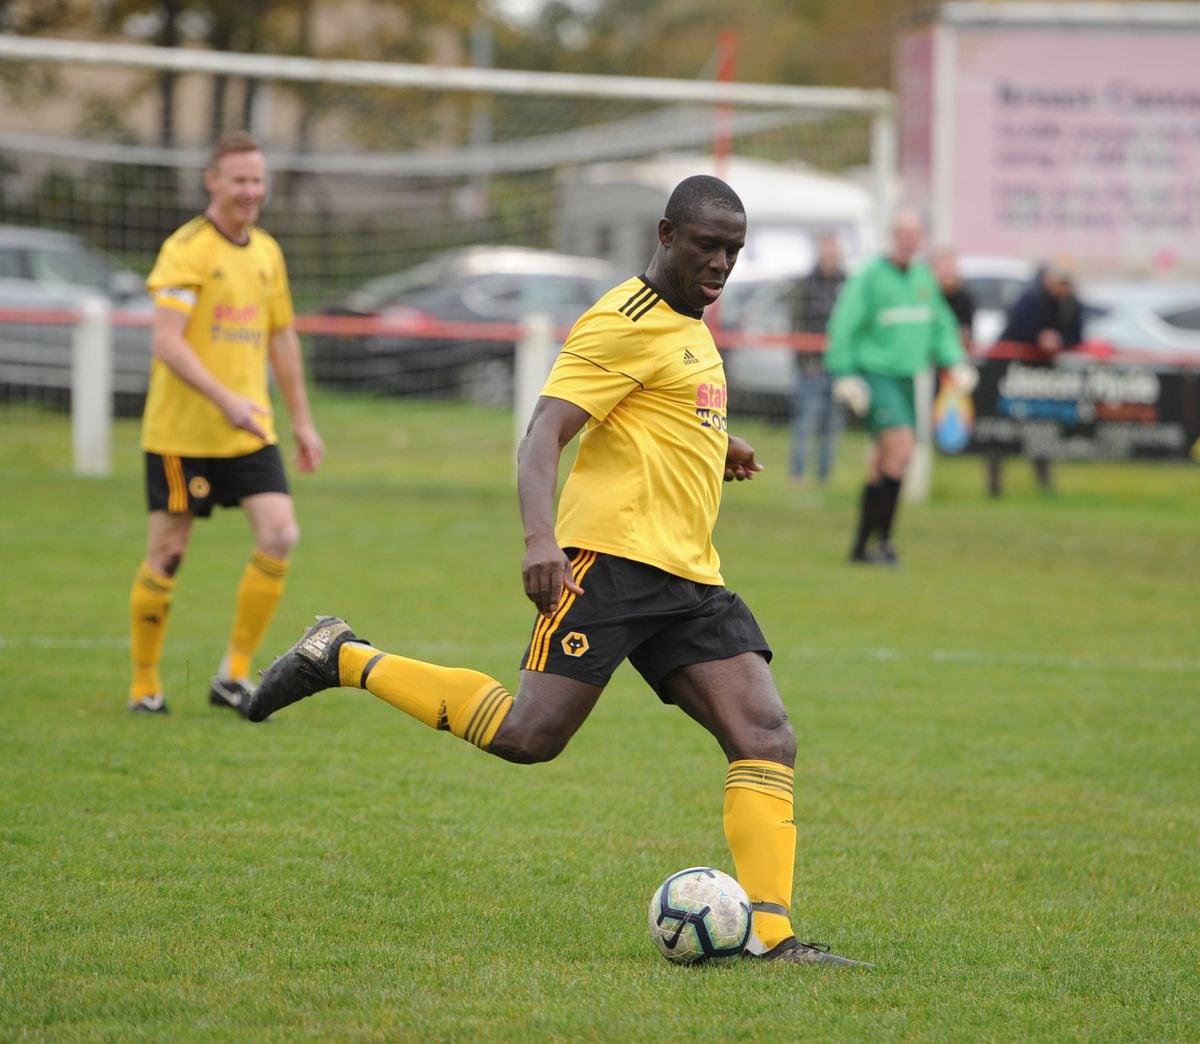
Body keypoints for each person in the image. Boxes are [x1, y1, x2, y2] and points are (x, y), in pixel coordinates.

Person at [248, 176, 869, 968]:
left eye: (734, 252)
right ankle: (341, 655)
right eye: (708, 246)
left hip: (688, 576)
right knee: (528, 735)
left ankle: (775, 941)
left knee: (766, 736)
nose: (722, 264)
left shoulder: (690, 322)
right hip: (606, 566)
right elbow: (544, 432)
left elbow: (660, 405)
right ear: (666, 234)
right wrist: (541, 538)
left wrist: (721, 440)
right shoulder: (621, 319)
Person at [126, 131, 324, 717]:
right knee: (168, 553)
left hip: (248, 430)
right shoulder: (186, 249)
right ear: (211, 181)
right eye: (238, 179)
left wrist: (303, 422)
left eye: (257, 180)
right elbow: (166, 342)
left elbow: (282, 339)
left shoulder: (267, 252)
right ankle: (144, 686)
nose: (250, 191)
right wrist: (225, 400)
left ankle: (233, 675)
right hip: (182, 433)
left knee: (281, 534)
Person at [824, 210, 975, 566]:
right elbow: (844, 324)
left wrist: (955, 361)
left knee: (882, 463)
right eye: (903, 234)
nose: (909, 241)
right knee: (904, 450)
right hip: (877, 375)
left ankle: (861, 548)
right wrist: (843, 371)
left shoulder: (923, 278)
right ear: (894, 237)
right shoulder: (871, 277)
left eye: (915, 234)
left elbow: (940, 325)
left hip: (908, 378)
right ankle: (885, 543)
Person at [986, 259, 1083, 496]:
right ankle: (995, 483)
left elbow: (1077, 334)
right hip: (1015, 372)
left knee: (1043, 427)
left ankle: (1043, 482)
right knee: (1005, 429)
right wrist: (1039, 339)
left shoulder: (1071, 303)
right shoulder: (1030, 299)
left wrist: (1059, 340)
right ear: (1049, 279)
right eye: (1059, 282)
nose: (1062, 287)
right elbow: (1017, 331)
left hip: (1043, 377)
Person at [787, 233, 845, 486]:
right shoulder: (806, 284)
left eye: (834, 252)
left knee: (831, 425)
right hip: (811, 367)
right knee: (805, 423)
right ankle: (797, 474)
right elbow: (796, 322)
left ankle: (824, 477)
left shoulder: (847, 283)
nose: (830, 257)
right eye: (827, 252)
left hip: (838, 365)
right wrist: (805, 359)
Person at [932, 247, 976, 348]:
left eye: (950, 266)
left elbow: (966, 333)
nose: (947, 271)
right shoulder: (927, 297)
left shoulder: (964, 298)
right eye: (943, 266)